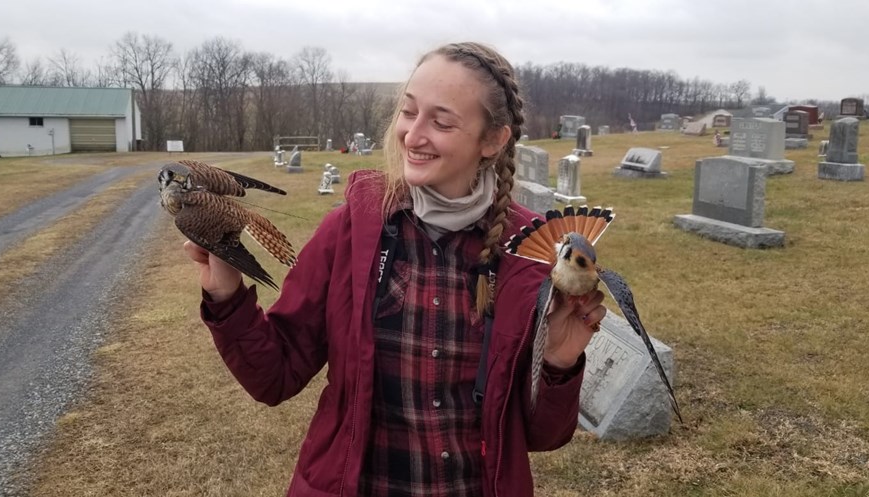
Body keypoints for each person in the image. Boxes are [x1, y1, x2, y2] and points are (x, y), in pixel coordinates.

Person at [184, 41, 608, 497]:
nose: (413, 134)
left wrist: (558, 363)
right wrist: (226, 297)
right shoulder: (350, 229)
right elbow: (275, 376)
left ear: (493, 140)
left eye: (441, 121)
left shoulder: (531, 251)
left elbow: (543, 436)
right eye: (409, 112)